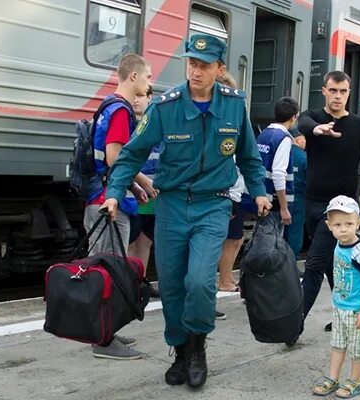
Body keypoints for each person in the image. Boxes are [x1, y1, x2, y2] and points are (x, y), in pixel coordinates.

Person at [100, 34, 271, 389]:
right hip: (173, 205)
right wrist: (115, 193)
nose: (195, 70)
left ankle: (197, 349)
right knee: (174, 285)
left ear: (219, 69)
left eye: (204, 65)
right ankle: (179, 351)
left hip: (213, 204)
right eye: (191, 63)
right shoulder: (166, 107)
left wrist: (259, 192)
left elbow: (250, 157)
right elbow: (130, 154)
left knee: (199, 282)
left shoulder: (234, 107)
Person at [297, 71, 360, 332]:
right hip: (312, 202)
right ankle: (345, 314)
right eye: (333, 90)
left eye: (343, 91)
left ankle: (294, 324)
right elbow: (303, 122)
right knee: (332, 266)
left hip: (339, 209)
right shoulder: (314, 119)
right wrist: (317, 129)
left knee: (314, 264)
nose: (338, 96)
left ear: (349, 93)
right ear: (324, 90)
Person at [83, 53, 153, 361]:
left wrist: (133, 186)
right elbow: (115, 158)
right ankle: (104, 340)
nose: (149, 82)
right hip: (107, 204)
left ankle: (104, 328)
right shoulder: (122, 111)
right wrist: (144, 179)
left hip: (102, 196)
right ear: (134, 77)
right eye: (148, 77)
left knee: (106, 267)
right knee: (108, 271)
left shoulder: (107, 104)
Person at [311, 196, 360, 398]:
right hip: (339, 307)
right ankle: (333, 378)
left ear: (358, 223)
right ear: (329, 226)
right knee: (337, 345)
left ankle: (355, 381)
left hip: (356, 310)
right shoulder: (339, 245)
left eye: (349, 224)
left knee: (357, 349)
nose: (343, 229)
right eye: (338, 225)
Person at [214, 71, 243, 322]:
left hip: (230, 194)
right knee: (225, 241)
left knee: (232, 240)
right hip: (223, 196)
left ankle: (226, 279)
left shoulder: (231, 123)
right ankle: (223, 281)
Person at [127, 86, 160, 299]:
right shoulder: (128, 123)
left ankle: (140, 281)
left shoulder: (156, 125)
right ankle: (128, 282)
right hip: (135, 190)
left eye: (141, 97)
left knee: (146, 240)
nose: (136, 101)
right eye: (134, 96)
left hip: (155, 191)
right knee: (131, 238)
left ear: (150, 98)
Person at [257, 97, 300, 225]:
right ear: (293, 117)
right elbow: (278, 174)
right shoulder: (284, 138)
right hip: (273, 203)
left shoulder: (264, 134)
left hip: (261, 197)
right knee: (270, 243)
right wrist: (284, 207)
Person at [286, 130, 307, 259]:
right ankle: (292, 262)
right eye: (304, 139)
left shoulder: (282, 153)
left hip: (281, 197)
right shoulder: (303, 157)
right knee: (295, 231)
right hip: (299, 198)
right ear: (298, 140)